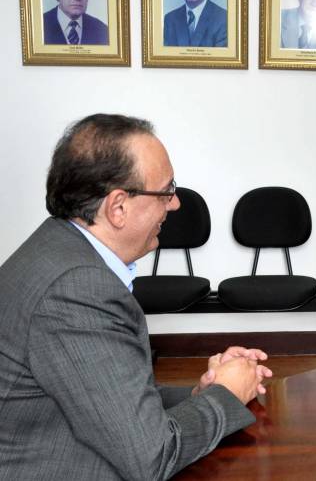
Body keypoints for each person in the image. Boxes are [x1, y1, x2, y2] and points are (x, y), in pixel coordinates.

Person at [0, 114, 272, 479]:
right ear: (118, 208)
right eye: (166, 191)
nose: (174, 204)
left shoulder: (58, 249)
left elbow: (108, 395)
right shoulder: (76, 290)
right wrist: (227, 394)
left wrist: (202, 392)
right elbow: (152, 456)